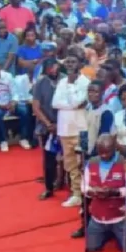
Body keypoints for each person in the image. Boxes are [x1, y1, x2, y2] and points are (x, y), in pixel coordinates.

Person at [51, 53, 90, 207]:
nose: (69, 65)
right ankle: (76, 194)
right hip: (64, 129)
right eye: (67, 62)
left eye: (73, 62)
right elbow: (55, 103)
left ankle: (86, 193)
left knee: (83, 162)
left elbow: (78, 103)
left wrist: (69, 95)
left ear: (80, 64)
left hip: (81, 128)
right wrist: (70, 104)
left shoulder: (85, 82)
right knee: (70, 164)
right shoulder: (61, 81)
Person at [81, 134, 126, 252]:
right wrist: (92, 191)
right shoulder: (91, 162)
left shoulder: (124, 163)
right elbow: (83, 186)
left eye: (107, 152)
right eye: (100, 152)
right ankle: (107, 234)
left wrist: (114, 192)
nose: (103, 155)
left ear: (114, 148)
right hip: (97, 217)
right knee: (91, 248)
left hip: (118, 217)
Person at [33, 58, 62, 200]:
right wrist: (48, 124)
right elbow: (36, 107)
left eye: (55, 66)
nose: (53, 69)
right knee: (49, 159)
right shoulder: (40, 83)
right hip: (47, 126)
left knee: (67, 159)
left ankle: (63, 183)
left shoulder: (65, 81)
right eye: (50, 67)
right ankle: (49, 187)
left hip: (65, 125)